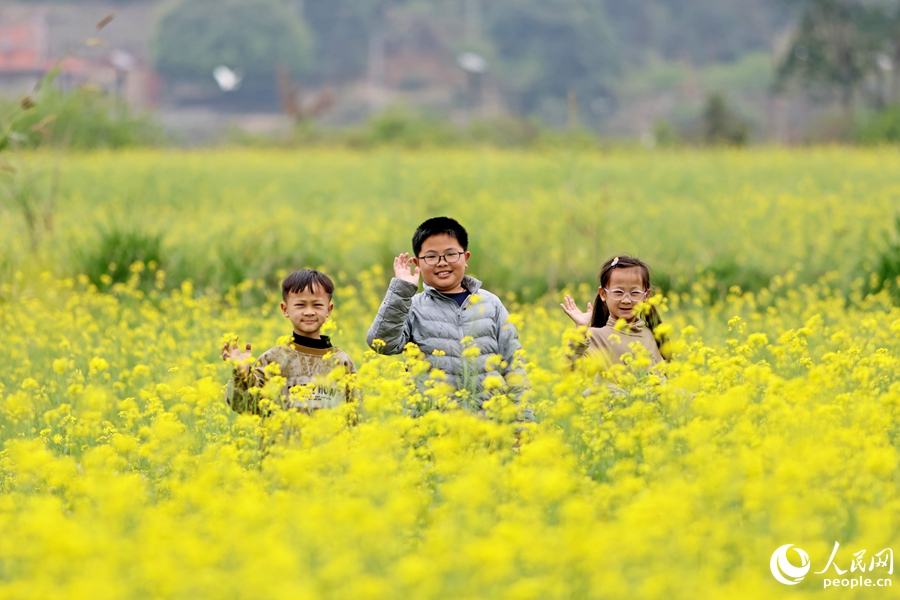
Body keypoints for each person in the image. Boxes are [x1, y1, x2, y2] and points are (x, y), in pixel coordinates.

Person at [366, 216, 530, 419]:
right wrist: (401, 291)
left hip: (489, 427)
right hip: (433, 426)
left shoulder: (491, 304)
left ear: (466, 258)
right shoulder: (413, 306)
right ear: (417, 263)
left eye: (451, 254)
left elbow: (515, 367)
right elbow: (382, 343)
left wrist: (522, 425)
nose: (442, 263)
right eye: (431, 257)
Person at [223, 269, 356, 414]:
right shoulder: (273, 360)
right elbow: (245, 406)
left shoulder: (341, 362)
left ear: (329, 310)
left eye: (317, 305)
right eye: (300, 305)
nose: (309, 311)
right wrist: (242, 376)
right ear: (285, 309)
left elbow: (355, 415)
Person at [560, 255, 671, 373]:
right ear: (603, 293)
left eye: (634, 293)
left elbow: (663, 380)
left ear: (646, 295)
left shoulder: (651, 335)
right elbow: (571, 373)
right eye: (618, 292)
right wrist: (581, 329)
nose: (626, 300)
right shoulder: (595, 336)